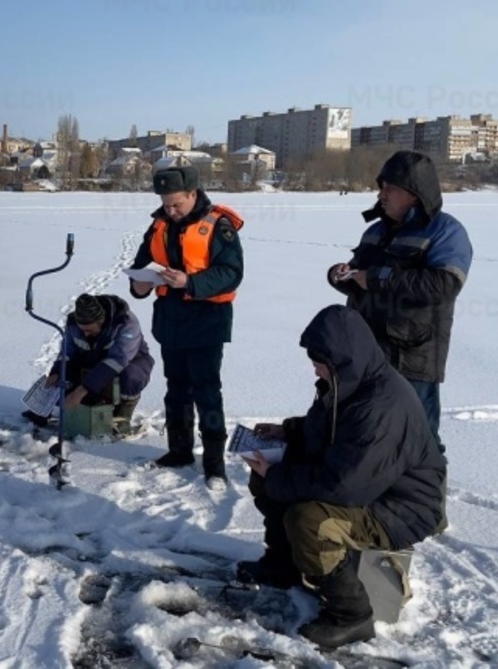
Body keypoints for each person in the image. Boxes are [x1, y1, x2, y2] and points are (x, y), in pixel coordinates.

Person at [238, 305, 447, 650]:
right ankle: (283, 565)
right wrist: (287, 432)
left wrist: (279, 475)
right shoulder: (348, 383)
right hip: (369, 487)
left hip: (402, 507)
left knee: (310, 520)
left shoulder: (381, 407)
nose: (314, 367)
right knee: (270, 481)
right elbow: (328, 431)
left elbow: (345, 487)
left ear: (341, 359)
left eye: (319, 360)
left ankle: (352, 614)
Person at [328, 150, 472, 453]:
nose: (381, 194)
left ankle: (427, 499)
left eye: (390, 188)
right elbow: (361, 278)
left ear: (414, 193)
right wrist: (341, 275)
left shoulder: (445, 231)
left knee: (419, 439)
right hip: (366, 350)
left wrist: (377, 277)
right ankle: (378, 498)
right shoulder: (376, 231)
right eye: (381, 187)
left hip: (412, 356)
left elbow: (444, 285)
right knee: (369, 433)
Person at [129, 165, 244, 486]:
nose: (170, 210)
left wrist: (189, 282)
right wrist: (139, 286)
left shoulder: (219, 226)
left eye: (176, 204)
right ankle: (179, 451)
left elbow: (231, 273)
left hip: (207, 323)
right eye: (166, 204)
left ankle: (214, 464)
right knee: (175, 391)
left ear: (193, 194)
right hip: (171, 322)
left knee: (207, 393)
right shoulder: (159, 225)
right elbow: (141, 265)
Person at [23, 293, 155, 434]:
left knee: (131, 376)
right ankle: (46, 410)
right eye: (82, 330)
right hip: (93, 360)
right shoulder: (74, 323)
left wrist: (83, 389)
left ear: (102, 321)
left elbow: (118, 360)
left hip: (130, 361)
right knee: (65, 376)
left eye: (89, 330)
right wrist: (56, 372)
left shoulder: (126, 323)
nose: (85, 334)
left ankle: (122, 416)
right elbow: (67, 354)